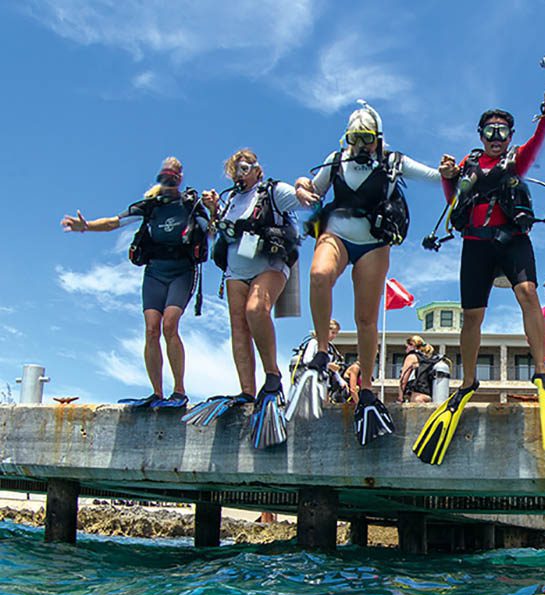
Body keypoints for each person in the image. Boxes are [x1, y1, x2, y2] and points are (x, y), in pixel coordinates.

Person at [413, 85, 545, 465]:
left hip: (512, 241)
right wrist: (446, 177)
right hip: (476, 244)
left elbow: (539, 140)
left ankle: (541, 371)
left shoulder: (515, 162)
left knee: (527, 292)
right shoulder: (468, 169)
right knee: (472, 316)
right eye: (489, 131)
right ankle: (469, 380)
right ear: (480, 136)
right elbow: (453, 202)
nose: (496, 137)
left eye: (502, 132)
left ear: (510, 136)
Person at [292, 101, 441, 445]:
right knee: (319, 276)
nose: (361, 146)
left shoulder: (394, 163)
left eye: (368, 139)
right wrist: (301, 187)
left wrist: (453, 171)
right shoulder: (335, 161)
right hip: (337, 235)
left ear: (378, 139)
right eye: (355, 139)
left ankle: (368, 388)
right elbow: (312, 194)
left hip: (374, 244)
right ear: (347, 138)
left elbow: (434, 177)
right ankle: (321, 350)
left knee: (366, 319)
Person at [60, 157, 209, 408]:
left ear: (180, 179)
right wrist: (85, 227)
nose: (168, 183)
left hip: (182, 271)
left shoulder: (191, 205)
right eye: (164, 178)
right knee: (152, 328)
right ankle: (157, 393)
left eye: (173, 178)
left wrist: (213, 209)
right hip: (155, 272)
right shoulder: (149, 207)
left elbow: (211, 228)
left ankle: (179, 392)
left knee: (169, 324)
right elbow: (113, 223)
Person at [182, 150, 301, 448]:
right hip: (235, 271)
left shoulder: (274, 192)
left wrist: (305, 188)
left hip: (270, 265)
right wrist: (212, 210)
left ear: (258, 170)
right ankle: (247, 390)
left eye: (244, 167)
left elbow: (302, 198)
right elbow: (217, 233)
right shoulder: (230, 202)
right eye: (234, 169)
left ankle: (272, 377)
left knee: (256, 309)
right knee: (238, 327)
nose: (239, 173)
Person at [398, 335, 439, 403]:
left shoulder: (411, 357)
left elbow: (403, 380)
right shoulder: (425, 358)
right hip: (429, 396)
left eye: (407, 346)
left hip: (417, 396)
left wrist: (400, 397)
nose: (406, 349)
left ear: (412, 345)